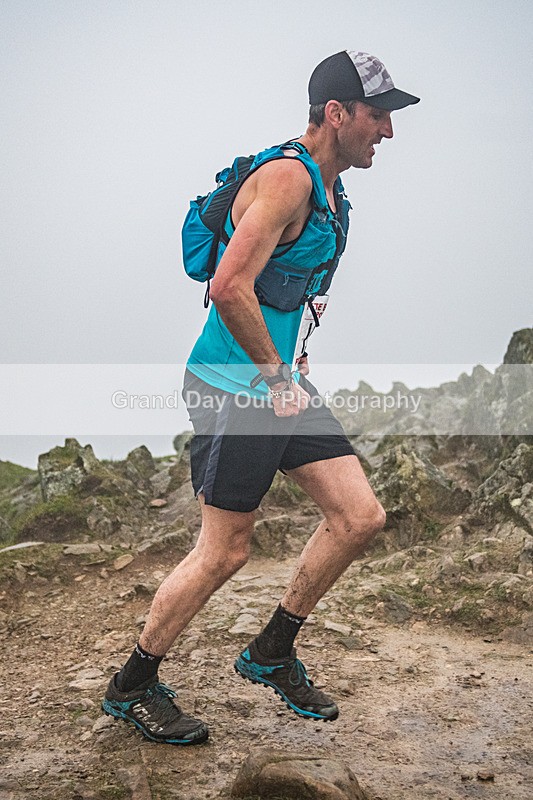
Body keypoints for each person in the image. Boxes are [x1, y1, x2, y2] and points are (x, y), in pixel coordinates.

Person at [102, 50, 419, 745]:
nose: (387, 132)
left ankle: (272, 650)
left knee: (358, 515)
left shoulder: (331, 193)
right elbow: (227, 287)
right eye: (377, 116)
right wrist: (276, 376)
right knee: (224, 551)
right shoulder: (284, 180)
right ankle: (131, 685)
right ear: (336, 114)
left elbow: (284, 288)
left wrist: (288, 365)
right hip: (233, 387)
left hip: (274, 382)